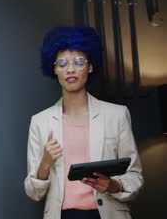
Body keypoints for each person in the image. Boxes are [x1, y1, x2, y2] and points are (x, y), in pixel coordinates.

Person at [24, 26, 143, 219]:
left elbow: (135, 176)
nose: (70, 69)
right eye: (62, 63)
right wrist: (45, 163)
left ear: (90, 66)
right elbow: (33, 192)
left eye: (79, 62)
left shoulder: (117, 115)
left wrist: (114, 185)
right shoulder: (40, 122)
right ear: (54, 69)